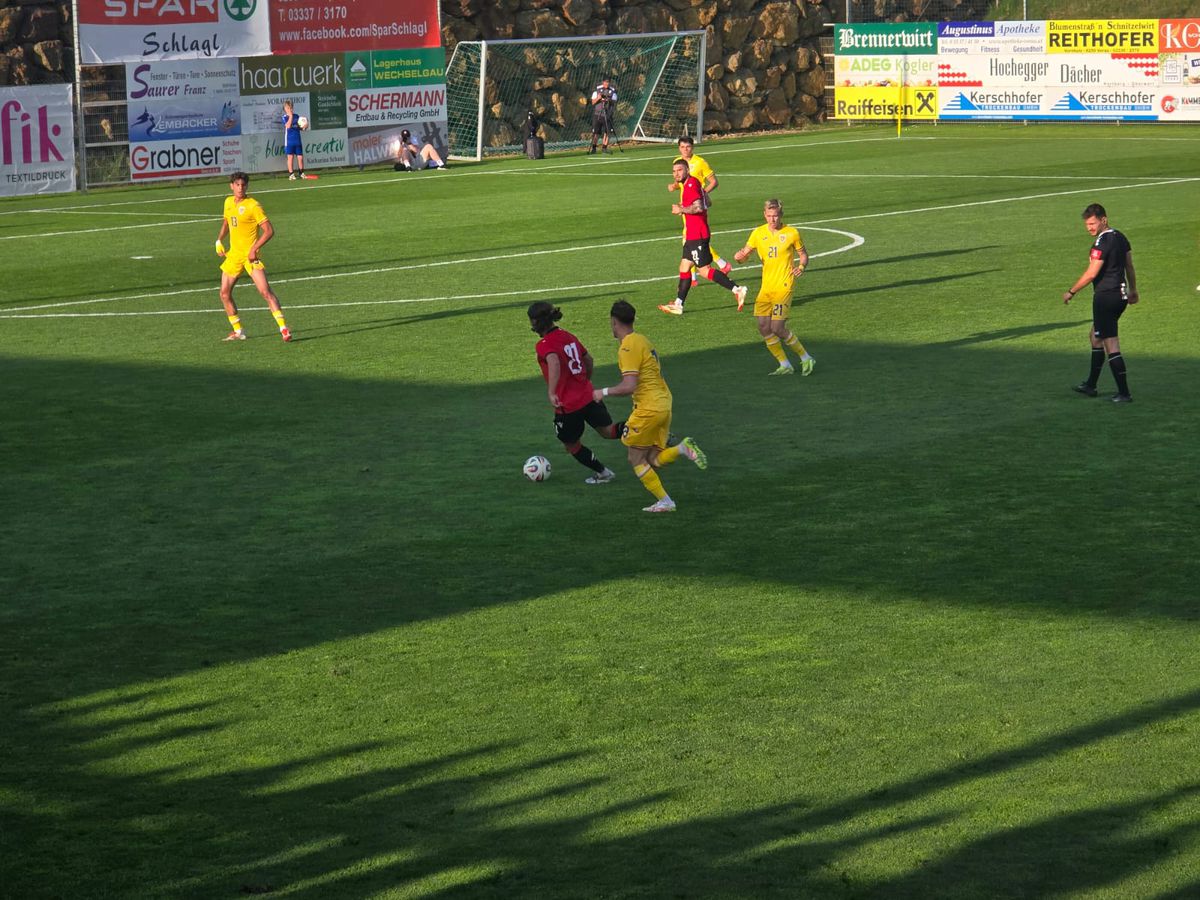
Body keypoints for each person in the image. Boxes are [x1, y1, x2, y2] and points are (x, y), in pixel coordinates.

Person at [592, 300, 707, 512]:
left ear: (614, 321)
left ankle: (666, 502)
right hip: (664, 403)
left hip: (648, 408)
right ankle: (683, 448)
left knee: (635, 459)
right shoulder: (643, 340)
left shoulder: (627, 346)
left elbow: (629, 386)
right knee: (653, 459)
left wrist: (603, 392)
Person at [529, 302, 621, 483]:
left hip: (568, 406)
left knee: (571, 444)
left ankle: (603, 473)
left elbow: (554, 362)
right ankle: (650, 431)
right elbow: (589, 360)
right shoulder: (568, 336)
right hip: (589, 396)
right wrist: (584, 381)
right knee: (609, 431)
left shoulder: (544, 344)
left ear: (536, 322)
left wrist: (552, 392)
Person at [1064, 203, 1138, 403]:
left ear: (1103, 220)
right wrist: (1133, 290)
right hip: (1120, 296)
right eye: (1087, 224)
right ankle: (1090, 385)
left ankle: (1124, 393)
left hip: (1106, 297)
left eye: (1092, 223)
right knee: (1095, 336)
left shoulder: (1102, 243)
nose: (1089, 228)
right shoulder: (1121, 237)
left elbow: (1092, 273)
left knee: (1110, 343)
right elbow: (1129, 266)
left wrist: (1071, 291)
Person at [734, 199, 815, 376]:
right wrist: (740, 257)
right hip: (766, 287)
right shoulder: (757, 233)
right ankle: (785, 364)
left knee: (777, 328)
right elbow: (744, 254)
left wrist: (801, 267)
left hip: (784, 285)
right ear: (765, 215)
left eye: (776, 216)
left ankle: (806, 357)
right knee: (763, 327)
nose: (772, 220)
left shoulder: (792, 233)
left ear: (781, 215)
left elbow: (803, 255)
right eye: (769, 216)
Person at [658, 158, 748, 316]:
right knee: (684, 267)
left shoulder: (691, 184)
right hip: (692, 234)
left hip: (697, 234)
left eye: (679, 170)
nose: (676, 173)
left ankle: (738, 289)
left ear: (687, 170)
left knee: (705, 271)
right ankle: (678, 304)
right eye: (674, 171)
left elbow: (698, 207)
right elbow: (708, 202)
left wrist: (682, 209)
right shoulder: (688, 184)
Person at [214, 172, 292, 342]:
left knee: (265, 292)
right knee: (224, 294)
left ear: (247, 186)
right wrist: (219, 240)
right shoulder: (228, 202)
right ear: (231, 186)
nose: (240, 188)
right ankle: (238, 331)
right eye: (237, 185)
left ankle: (284, 329)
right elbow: (227, 222)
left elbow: (269, 231)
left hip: (250, 257)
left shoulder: (253, 206)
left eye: (243, 185)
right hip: (234, 256)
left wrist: (254, 248)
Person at [670, 135, 732, 284]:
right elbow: (681, 182)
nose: (685, 150)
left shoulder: (700, 162)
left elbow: (713, 182)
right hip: (685, 206)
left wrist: (702, 195)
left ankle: (696, 275)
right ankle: (703, 271)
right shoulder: (678, 163)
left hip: (694, 208)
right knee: (691, 240)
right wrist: (674, 186)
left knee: (691, 240)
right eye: (682, 147)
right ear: (679, 148)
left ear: (693, 147)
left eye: (688, 147)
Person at [588, 77, 617, 155]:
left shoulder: (612, 91)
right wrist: (598, 98)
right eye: (605, 82)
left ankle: (604, 148)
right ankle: (594, 148)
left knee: (607, 132)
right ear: (603, 82)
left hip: (607, 115)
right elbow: (593, 102)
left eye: (608, 82)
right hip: (598, 114)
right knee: (596, 132)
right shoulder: (597, 91)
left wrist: (608, 99)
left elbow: (614, 101)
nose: (606, 83)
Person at [281, 100, 304, 181]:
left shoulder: (297, 116)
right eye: (288, 108)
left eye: (291, 108)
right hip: (289, 141)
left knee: (300, 158)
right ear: (285, 109)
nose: (290, 109)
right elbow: (288, 126)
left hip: (297, 140)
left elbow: (300, 127)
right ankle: (291, 174)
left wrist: (304, 126)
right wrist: (290, 116)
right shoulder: (284, 117)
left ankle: (301, 173)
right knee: (290, 158)